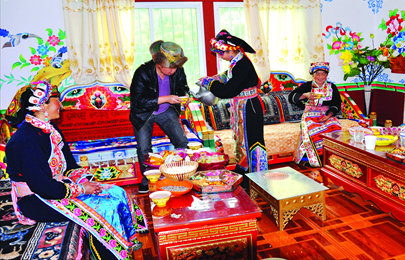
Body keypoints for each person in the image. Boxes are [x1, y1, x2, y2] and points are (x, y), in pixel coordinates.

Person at [5, 80, 147, 260]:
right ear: (41, 106)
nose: (61, 105)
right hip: (36, 200)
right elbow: (41, 187)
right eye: (57, 100)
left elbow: (70, 165)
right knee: (104, 207)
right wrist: (80, 190)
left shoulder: (50, 129)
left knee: (117, 192)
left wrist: (84, 181)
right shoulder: (26, 140)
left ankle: (125, 242)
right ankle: (108, 256)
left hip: (56, 186)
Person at [200, 30, 268, 185]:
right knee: (243, 140)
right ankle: (244, 169)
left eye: (221, 53)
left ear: (231, 50)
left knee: (253, 141)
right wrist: (213, 79)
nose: (220, 56)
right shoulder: (237, 62)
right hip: (244, 106)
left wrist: (208, 83)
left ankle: (256, 174)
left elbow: (227, 90)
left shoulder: (242, 65)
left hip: (250, 107)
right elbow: (228, 76)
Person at [129, 40, 190, 193]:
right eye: (171, 67)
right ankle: (146, 179)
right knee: (144, 148)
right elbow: (137, 100)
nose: (174, 71)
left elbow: (183, 88)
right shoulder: (142, 72)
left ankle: (180, 174)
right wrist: (166, 98)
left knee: (182, 142)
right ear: (158, 64)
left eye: (176, 67)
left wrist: (185, 96)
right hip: (144, 113)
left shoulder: (178, 70)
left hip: (166, 110)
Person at [288, 62, 342, 167]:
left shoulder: (332, 87)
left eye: (323, 74)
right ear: (313, 75)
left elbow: (336, 103)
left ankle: (333, 157)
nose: (320, 77)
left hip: (327, 114)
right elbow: (291, 97)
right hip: (310, 114)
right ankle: (319, 159)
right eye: (317, 74)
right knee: (313, 130)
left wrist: (329, 115)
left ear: (327, 75)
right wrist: (305, 95)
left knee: (335, 127)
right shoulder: (307, 86)